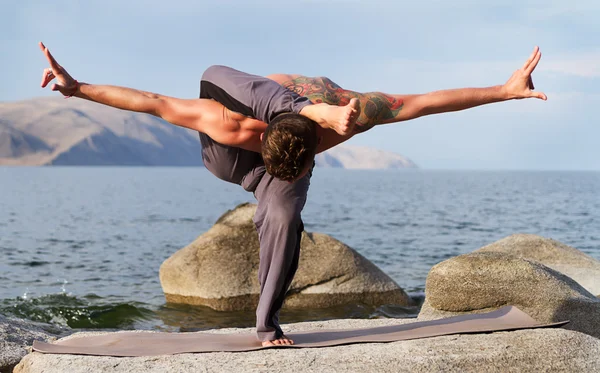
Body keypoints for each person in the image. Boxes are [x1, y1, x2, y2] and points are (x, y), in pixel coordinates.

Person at [39, 42, 546, 346]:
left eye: (306, 165)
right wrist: (76, 86)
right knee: (217, 77)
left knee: (283, 215)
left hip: (300, 124)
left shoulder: (350, 116)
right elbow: (148, 102)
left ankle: (267, 322)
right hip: (232, 115)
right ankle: (267, 171)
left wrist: (503, 91)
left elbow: (421, 103)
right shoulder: (227, 121)